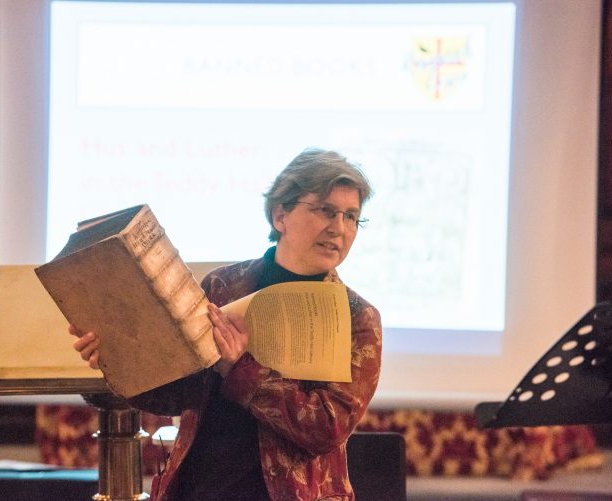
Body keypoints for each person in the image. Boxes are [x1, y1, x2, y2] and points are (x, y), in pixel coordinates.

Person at [71, 147, 382, 500]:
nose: (339, 229)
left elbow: (328, 428)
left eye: (352, 217)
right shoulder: (223, 285)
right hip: (201, 488)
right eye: (326, 211)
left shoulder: (359, 317)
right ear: (281, 215)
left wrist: (239, 369)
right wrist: (119, 357)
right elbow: (182, 393)